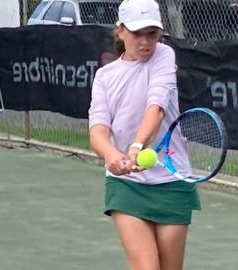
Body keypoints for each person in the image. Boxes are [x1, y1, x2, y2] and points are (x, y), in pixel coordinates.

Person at [88, 0, 201, 269]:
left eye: (152, 33)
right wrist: (111, 154)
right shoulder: (105, 76)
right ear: (120, 31)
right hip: (126, 185)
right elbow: (98, 131)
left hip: (172, 178)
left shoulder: (164, 55)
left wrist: (137, 145)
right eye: (137, 33)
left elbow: (157, 108)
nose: (145, 41)